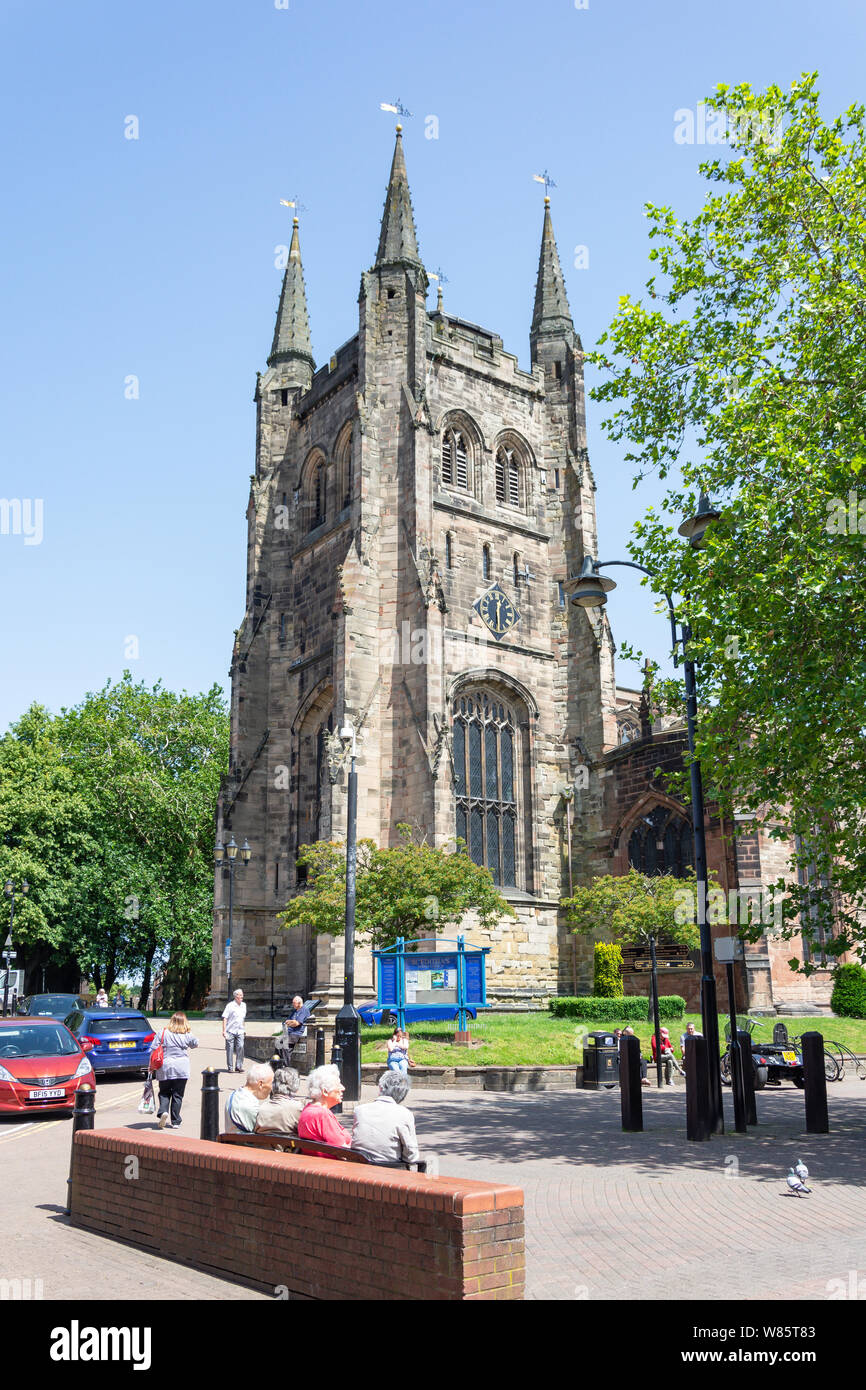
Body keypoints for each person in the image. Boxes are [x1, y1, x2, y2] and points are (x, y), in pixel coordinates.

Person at [351, 1071, 420, 1168]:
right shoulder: (404, 1114)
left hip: (358, 1169)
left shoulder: (359, 1110)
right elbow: (411, 1155)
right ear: (404, 1094)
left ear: (380, 1088)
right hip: (390, 1172)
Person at [149, 1011, 199, 1129]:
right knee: (178, 1094)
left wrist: (150, 1066)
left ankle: (163, 1112)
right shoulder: (187, 1034)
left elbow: (153, 1049)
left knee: (164, 1092)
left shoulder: (163, 1032)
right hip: (182, 1068)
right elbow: (195, 1044)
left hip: (165, 1067)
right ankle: (176, 1121)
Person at [297, 1064, 350, 1153]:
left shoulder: (308, 1109)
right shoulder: (322, 1114)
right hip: (331, 1164)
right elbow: (342, 1151)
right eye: (338, 1084)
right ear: (325, 1091)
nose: (343, 1088)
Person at [224, 1063, 273, 1133]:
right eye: (271, 1083)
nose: (272, 1087)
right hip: (245, 1143)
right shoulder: (252, 1107)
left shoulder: (232, 1096)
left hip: (229, 1141)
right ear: (260, 1084)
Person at [255, 1067, 304, 1136]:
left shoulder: (261, 1109)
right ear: (295, 1086)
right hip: (288, 1145)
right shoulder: (298, 1108)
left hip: (261, 1146)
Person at [278, 995, 311, 1067]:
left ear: (299, 1003)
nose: (292, 1004)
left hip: (296, 1033)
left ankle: (286, 1065)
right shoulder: (294, 1011)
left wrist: (292, 1022)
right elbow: (285, 1022)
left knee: (284, 1044)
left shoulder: (304, 1010)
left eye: (294, 1003)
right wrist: (291, 1022)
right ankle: (281, 1064)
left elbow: (297, 1023)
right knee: (279, 1044)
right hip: (289, 1032)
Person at [222, 988, 246, 1072]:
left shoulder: (244, 1005)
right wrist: (224, 1031)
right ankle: (230, 1067)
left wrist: (244, 1028)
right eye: (240, 995)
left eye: (242, 994)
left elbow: (242, 1018)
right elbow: (225, 1018)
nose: (242, 996)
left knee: (241, 1046)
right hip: (230, 1030)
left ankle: (238, 1066)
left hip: (240, 1030)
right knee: (230, 1049)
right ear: (236, 996)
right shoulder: (230, 1005)